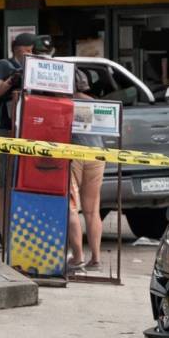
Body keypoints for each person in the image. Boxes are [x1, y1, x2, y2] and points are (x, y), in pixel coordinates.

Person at [0, 31, 35, 248]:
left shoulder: (35, 68)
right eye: (29, 51)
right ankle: (5, 236)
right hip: (3, 133)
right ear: (20, 50)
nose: (31, 55)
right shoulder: (4, 66)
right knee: (2, 184)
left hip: (27, 133)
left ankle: (21, 234)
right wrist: (11, 80)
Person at [68, 69, 105, 271]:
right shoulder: (94, 103)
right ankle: (96, 259)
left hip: (73, 155)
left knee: (71, 206)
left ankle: (77, 258)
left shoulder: (65, 103)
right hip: (97, 156)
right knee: (92, 211)